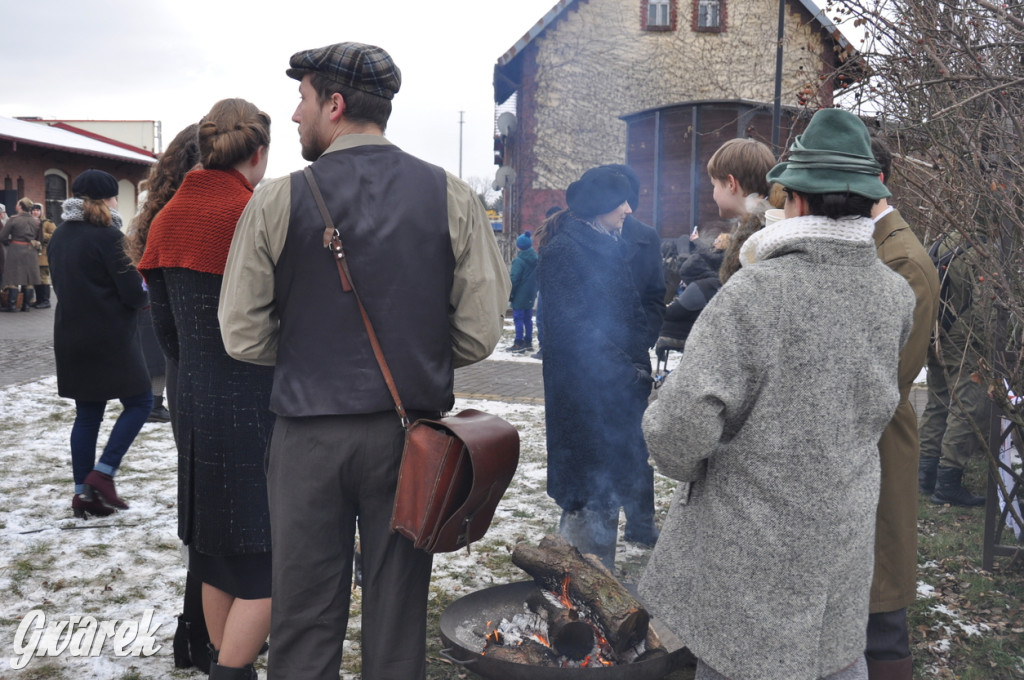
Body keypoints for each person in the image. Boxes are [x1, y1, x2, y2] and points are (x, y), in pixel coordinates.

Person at [218, 42, 508, 680]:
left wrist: (306, 358)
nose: (295, 116)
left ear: (335, 104)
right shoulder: (453, 196)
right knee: (399, 608)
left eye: (302, 100)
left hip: (307, 436)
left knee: (303, 610)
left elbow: (240, 334)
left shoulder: (275, 200)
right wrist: (414, 359)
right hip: (410, 435)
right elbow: (481, 331)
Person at [639, 108, 915, 680]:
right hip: (840, 547)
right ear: (868, 198)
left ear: (798, 199)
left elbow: (677, 432)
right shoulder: (894, 295)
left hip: (748, 565)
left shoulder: (752, 293)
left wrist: (673, 440)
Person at [139, 99, 274, 680]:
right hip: (256, 405)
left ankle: (226, 664)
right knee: (270, 567)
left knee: (216, 557)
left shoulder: (166, 218)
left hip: (192, 402)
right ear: (258, 153)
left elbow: (164, 331)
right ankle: (230, 671)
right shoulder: (253, 214)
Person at [125, 122, 214, 672]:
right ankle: (203, 631)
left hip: (185, 378)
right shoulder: (198, 219)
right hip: (213, 378)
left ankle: (197, 629)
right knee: (221, 511)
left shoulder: (162, 216)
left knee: (203, 504)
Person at [536, 165, 653, 569]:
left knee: (603, 496)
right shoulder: (565, 252)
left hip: (611, 401)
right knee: (588, 500)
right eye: (619, 201)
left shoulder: (604, 245)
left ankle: (587, 596)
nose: (626, 209)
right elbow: (576, 333)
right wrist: (629, 374)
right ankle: (579, 599)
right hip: (587, 405)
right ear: (600, 206)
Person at [863, 137, 940, 679]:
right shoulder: (872, 243)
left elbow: (886, 375)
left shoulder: (901, 257)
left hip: (881, 441)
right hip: (862, 443)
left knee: (881, 596)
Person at [47, 170, 153, 518]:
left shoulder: (59, 236)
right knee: (141, 402)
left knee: (88, 414)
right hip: (111, 339)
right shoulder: (109, 237)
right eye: (113, 197)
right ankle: (103, 474)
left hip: (71, 336)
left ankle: (82, 494)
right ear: (106, 199)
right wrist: (146, 288)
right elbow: (132, 294)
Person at [917, 227, 992, 507]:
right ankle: (948, 483)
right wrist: (990, 348)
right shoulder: (984, 248)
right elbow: (985, 306)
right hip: (963, 336)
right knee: (968, 405)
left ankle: (926, 477)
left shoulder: (944, 239)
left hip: (936, 330)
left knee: (938, 401)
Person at [706, 137, 776, 283]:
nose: (713, 193)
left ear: (731, 183)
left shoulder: (765, 237)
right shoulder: (752, 226)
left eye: (715, 185)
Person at [531, 205, 563, 360]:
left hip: (549, 287)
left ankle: (546, 349)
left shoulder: (552, 237)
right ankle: (546, 348)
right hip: (550, 286)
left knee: (543, 318)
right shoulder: (556, 236)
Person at [0, 197, 42, 312]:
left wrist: (9, 242)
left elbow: (2, 236)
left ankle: (12, 305)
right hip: (31, 250)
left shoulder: (14, 219)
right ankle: (26, 305)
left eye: (18, 204)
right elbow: (40, 238)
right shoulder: (36, 221)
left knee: (13, 277)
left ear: (20, 206)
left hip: (15, 249)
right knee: (29, 279)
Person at [507, 231, 538, 352]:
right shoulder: (536, 259)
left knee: (518, 318)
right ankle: (528, 341)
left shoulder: (518, 261)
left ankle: (518, 343)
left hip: (520, 294)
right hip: (531, 293)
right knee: (528, 318)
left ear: (519, 246)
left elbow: (514, 279)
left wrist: (510, 293)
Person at [29, 203, 56, 308]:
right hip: (32, 254)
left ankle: (45, 301)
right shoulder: (30, 222)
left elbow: (55, 235)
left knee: (44, 277)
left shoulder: (48, 223)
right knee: (36, 278)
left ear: (41, 211)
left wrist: (41, 235)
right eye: (33, 210)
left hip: (43, 254)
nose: (35, 212)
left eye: (37, 210)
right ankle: (39, 300)